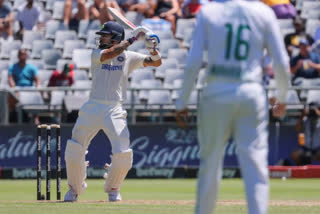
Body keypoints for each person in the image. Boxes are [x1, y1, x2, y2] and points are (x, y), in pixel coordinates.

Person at [175, 1, 290, 214]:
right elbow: (281, 61)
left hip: (216, 91)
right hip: (251, 92)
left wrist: (182, 101)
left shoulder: (209, 12)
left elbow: (193, 61)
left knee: (210, 165)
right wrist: (282, 96)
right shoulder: (263, 12)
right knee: (255, 165)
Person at [63, 21, 162, 202]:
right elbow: (112, 53)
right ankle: (75, 189)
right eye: (101, 35)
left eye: (105, 35)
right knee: (74, 148)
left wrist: (152, 48)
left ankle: (113, 188)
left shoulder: (129, 56)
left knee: (123, 152)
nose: (101, 38)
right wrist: (134, 37)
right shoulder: (97, 54)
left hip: (115, 109)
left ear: (115, 37)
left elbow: (156, 63)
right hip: (93, 106)